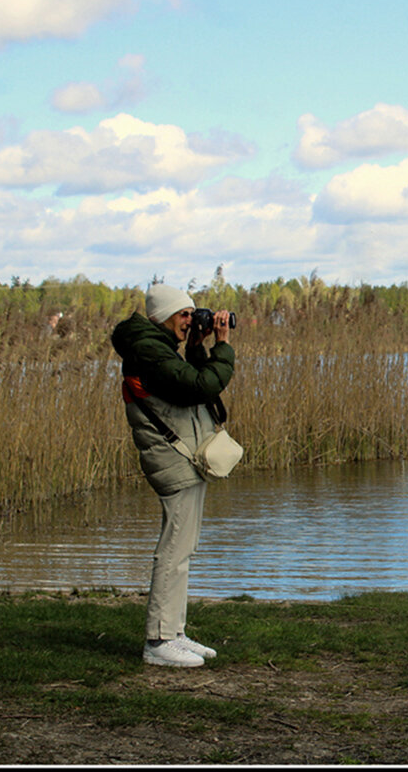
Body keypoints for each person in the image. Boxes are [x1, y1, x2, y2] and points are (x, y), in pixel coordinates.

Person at [111, 283, 235, 668]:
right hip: (173, 459)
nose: (189, 320)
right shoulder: (148, 351)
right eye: (184, 314)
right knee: (174, 549)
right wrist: (223, 346)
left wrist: (198, 347)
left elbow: (189, 385)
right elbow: (201, 385)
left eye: (191, 313)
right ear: (162, 315)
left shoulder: (159, 348)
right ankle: (159, 641)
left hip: (183, 458)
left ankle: (175, 631)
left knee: (185, 549)